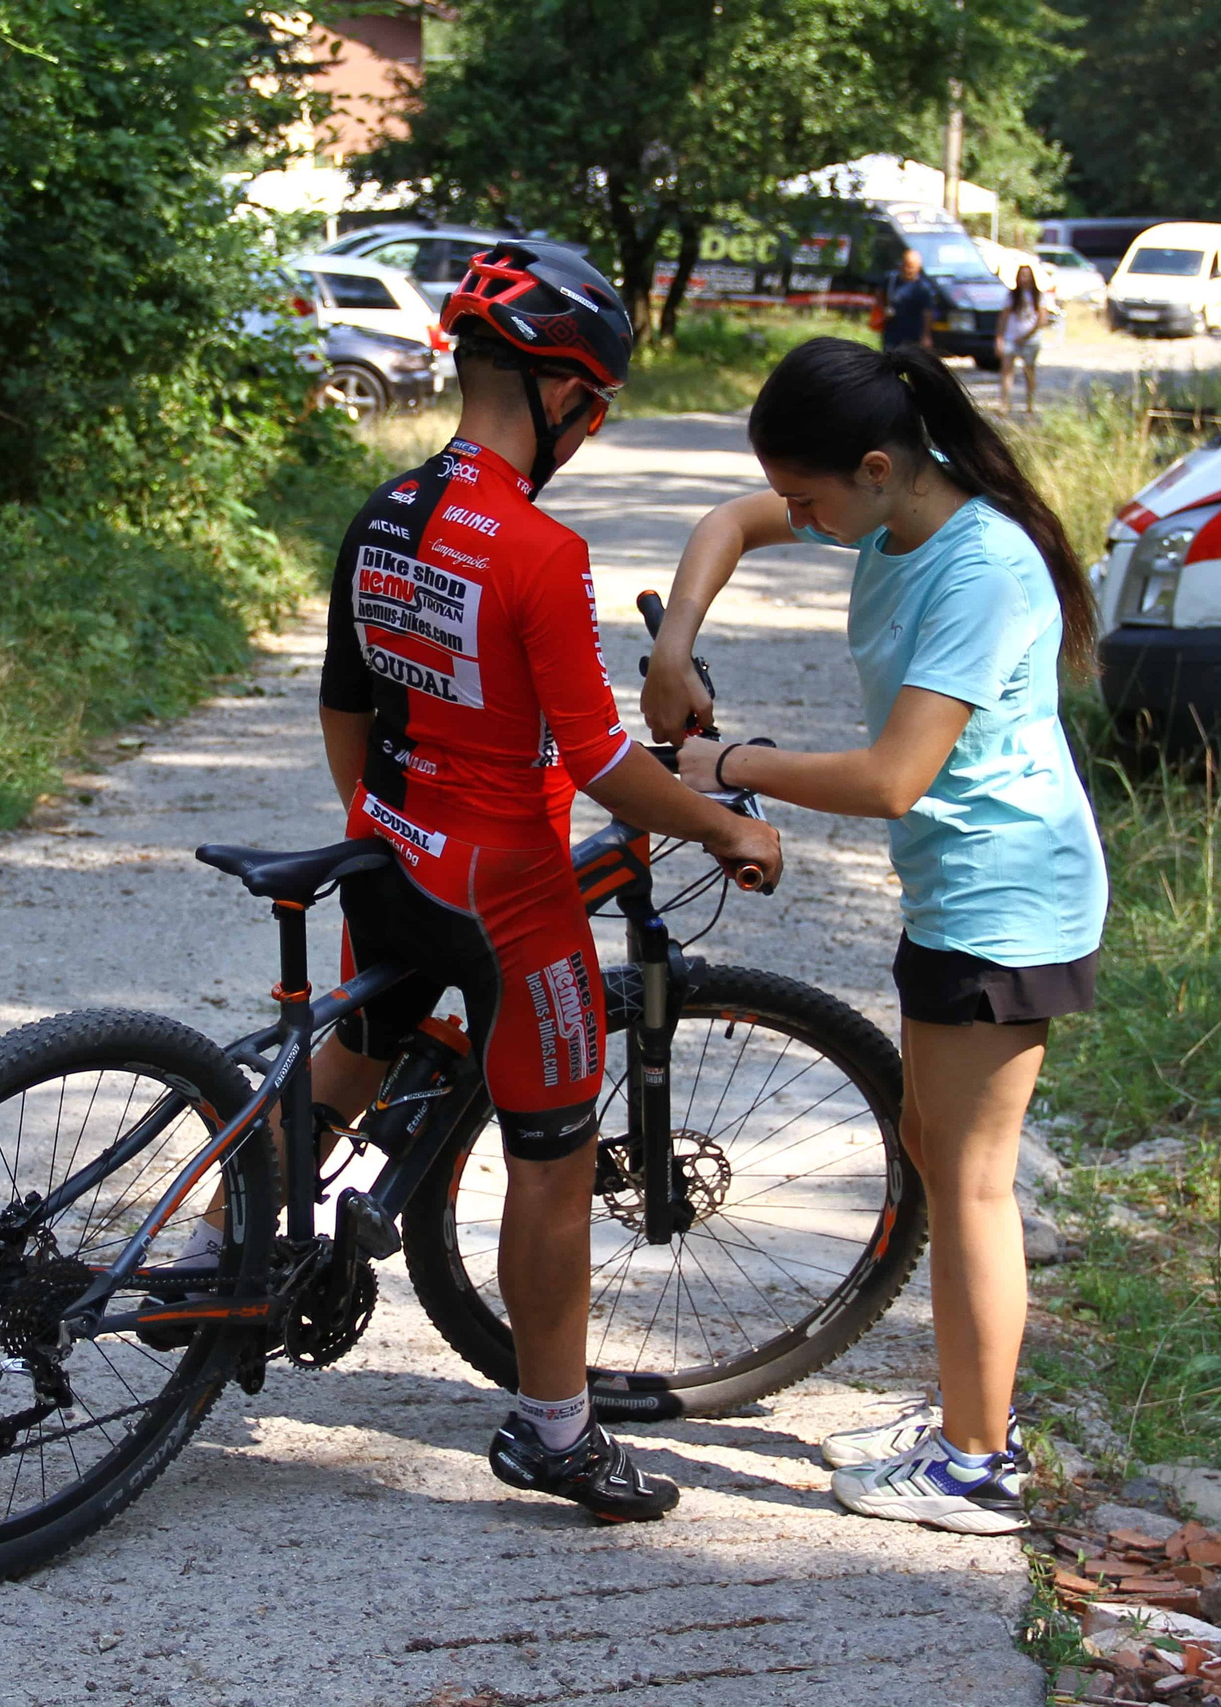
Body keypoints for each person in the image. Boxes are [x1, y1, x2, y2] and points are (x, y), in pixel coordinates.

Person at [179, 240, 783, 1524]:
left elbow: (348, 708)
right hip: (505, 895)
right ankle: (554, 1433)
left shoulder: (384, 511)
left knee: (354, 1056)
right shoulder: (537, 553)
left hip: (387, 854)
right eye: (596, 407)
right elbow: (608, 765)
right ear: (568, 396)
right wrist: (727, 829)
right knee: (554, 1164)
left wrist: (393, 821)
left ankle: (202, 1259)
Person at [639, 338, 1107, 1535]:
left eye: (810, 501)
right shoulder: (894, 512)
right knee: (929, 1140)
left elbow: (896, 777)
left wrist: (725, 763)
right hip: (957, 888)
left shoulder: (979, 569)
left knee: (971, 1183)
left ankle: (977, 1460)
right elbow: (726, 525)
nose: (794, 516)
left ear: (880, 466)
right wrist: (674, 645)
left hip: (1006, 895)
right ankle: (966, 1407)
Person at [995, 271, 1050, 416]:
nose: (1024, 278)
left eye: (1027, 275)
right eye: (1021, 275)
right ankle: (1004, 404)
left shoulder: (1038, 296)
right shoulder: (1012, 295)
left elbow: (1042, 320)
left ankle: (1030, 404)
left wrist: (1026, 336)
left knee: (1029, 372)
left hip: (1031, 340)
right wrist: (999, 337)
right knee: (1006, 371)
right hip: (1011, 338)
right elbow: (1004, 317)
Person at [882, 247, 952, 354]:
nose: (907, 270)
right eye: (906, 265)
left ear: (918, 268)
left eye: (911, 267)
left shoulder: (922, 288)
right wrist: (883, 309)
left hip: (913, 335)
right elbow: (880, 294)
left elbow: (927, 313)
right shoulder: (891, 280)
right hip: (892, 334)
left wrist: (926, 336)